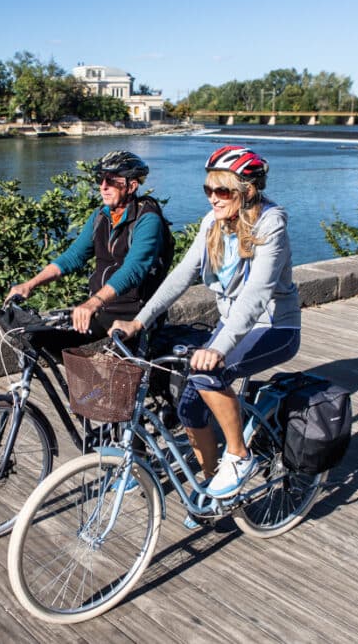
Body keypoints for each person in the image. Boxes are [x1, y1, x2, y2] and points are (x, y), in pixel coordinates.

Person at [110, 145, 301, 500]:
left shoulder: (270, 224)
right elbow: (182, 275)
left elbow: (257, 295)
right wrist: (139, 321)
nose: (213, 198)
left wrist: (216, 347)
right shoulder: (212, 223)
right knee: (189, 405)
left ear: (247, 191)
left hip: (274, 326)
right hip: (232, 327)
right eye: (208, 190)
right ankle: (213, 482)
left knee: (207, 375)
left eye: (222, 191)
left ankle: (239, 457)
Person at [6, 150, 169, 349]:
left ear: (131, 186)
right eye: (100, 180)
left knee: (117, 375)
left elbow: (133, 269)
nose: (103, 187)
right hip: (104, 308)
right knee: (43, 339)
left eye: (112, 181)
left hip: (134, 313)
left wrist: (93, 302)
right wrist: (30, 285)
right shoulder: (101, 216)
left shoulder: (148, 219)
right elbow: (74, 256)